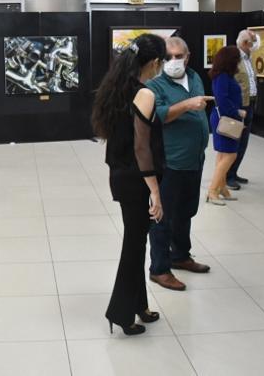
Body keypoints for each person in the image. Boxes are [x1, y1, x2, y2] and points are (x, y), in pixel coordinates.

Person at [91, 34, 166, 336]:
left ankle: (139, 305)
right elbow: (141, 147)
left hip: (121, 175)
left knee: (137, 241)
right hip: (137, 179)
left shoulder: (118, 88)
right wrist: (155, 190)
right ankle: (120, 313)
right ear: (154, 62)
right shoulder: (144, 94)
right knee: (134, 246)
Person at [146, 37, 213, 291]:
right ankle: (160, 268)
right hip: (171, 161)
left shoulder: (194, 77)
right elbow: (159, 115)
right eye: (168, 57)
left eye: (178, 56)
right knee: (163, 217)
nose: (174, 61)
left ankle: (181, 255)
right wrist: (186, 105)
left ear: (188, 56)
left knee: (186, 211)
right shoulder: (155, 85)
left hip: (194, 159)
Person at [208, 46, 246, 205]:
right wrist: (237, 112)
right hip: (226, 119)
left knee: (223, 155)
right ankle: (212, 190)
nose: (239, 62)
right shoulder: (223, 77)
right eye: (237, 59)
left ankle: (222, 187)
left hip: (224, 118)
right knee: (230, 155)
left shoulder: (222, 76)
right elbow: (222, 99)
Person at [228, 29, 258, 190]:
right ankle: (227, 176)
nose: (255, 45)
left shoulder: (248, 58)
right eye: (253, 41)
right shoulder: (233, 58)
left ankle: (234, 172)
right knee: (234, 141)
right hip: (238, 106)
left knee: (243, 142)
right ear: (245, 43)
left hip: (250, 104)